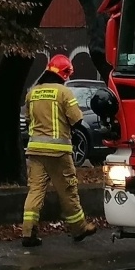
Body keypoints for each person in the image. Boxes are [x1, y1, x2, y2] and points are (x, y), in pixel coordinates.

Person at [20, 54, 99, 247]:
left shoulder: (32, 92)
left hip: (35, 151)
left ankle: (28, 232)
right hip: (58, 152)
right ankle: (79, 229)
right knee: (68, 190)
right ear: (65, 74)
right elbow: (77, 120)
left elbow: (28, 120)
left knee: (35, 191)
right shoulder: (63, 93)